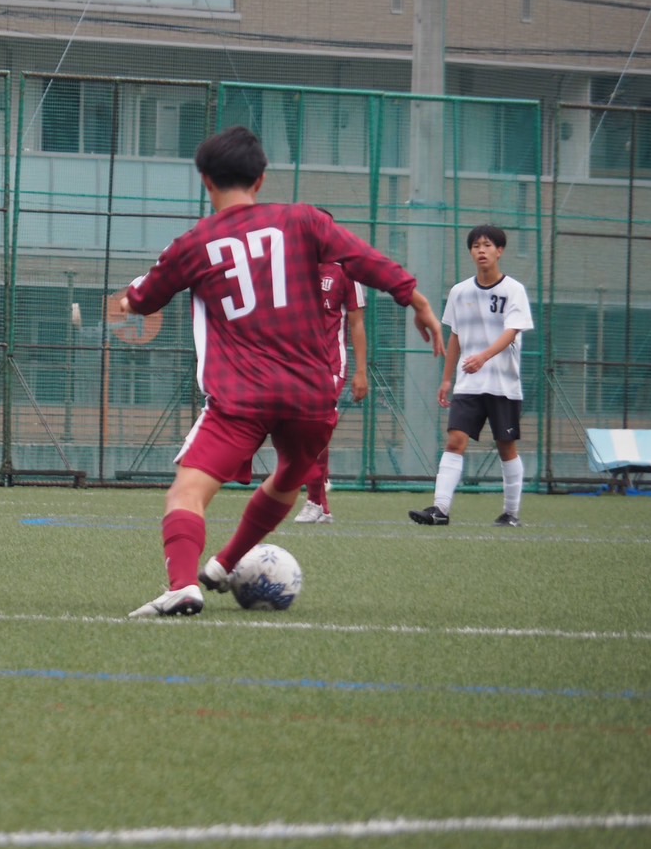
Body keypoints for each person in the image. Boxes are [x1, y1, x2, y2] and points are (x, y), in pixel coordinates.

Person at [122, 126, 444, 619]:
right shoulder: (304, 220)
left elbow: (144, 299)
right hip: (310, 394)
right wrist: (416, 300)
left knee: (187, 492)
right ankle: (224, 564)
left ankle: (184, 584)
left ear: (205, 180)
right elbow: (364, 260)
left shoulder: (194, 244)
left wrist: (129, 300)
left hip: (241, 398)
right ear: (262, 179)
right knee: (291, 476)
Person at [410, 224, 534, 528]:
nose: (482, 250)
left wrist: (483, 357)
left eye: (488, 245)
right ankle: (440, 509)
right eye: (476, 246)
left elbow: (512, 332)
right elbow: (456, 336)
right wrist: (447, 379)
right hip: (469, 385)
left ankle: (511, 513)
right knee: (455, 441)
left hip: (504, 385)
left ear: (500, 251)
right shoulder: (459, 291)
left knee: (506, 446)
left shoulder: (513, 290)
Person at [293, 257, 368, 524]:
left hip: (330, 366)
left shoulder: (345, 273)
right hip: (298, 366)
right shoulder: (292, 269)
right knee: (306, 431)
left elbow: (357, 323)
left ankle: (315, 500)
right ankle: (322, 502)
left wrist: (361, 371)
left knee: (312, 428)